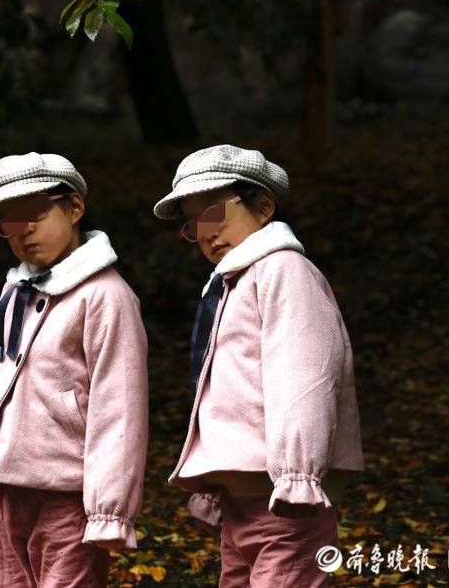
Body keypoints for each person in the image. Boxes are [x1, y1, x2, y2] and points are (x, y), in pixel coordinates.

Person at [0, 152, 149, 588]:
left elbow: (119, 410)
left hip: (68, 495)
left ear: (73, 208)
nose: (24, 231)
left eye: (34, 213)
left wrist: (109, 509)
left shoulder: (106, 297)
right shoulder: (16, 293)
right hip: (8, 486)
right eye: (8, 223)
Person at [153, 144, 364, 587]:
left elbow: (305, 379)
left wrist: (298, 476)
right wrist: (216, 483)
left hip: (286, 503)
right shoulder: (231, 283)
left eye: (213, 214)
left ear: (263, 206)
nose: (205, 233)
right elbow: (225, 392)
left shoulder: (285, 272)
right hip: (243, 504)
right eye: (193, 225)